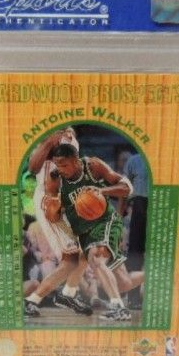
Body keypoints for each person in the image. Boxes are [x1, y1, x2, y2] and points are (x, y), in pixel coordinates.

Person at [47, 143, 144, 321]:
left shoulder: (93, 166)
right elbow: (53, 216)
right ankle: (158, 275)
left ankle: (119, 308)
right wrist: (54, 207)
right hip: (84, 231)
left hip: (105, 222)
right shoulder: (56, 179)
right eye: (57, 165)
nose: (60, 169)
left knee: (96, 258)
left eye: (64, 165)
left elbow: (127, 188)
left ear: (76, 161)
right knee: (124, 282)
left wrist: (101, 190)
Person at [23, 128, 92, 317]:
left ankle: (67, 294)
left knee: (85, 252)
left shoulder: (70, 142)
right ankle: (32, 301)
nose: (69, 134)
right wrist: (49, 141)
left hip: (64, 201)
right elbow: (32, 168)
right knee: (71, 259)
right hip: (50, 203)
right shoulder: (49, 144)